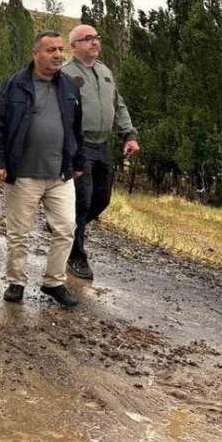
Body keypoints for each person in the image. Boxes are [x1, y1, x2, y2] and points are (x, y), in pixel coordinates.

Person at [0, 31, 84, 307]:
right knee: (20, 232)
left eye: (60, 50)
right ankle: (16, 282)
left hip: (60, 174)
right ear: (36, 53)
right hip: (23, 174)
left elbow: (77, 128)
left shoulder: (69, 87)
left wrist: (78, 162)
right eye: (51, 50)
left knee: (66, 228)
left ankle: (54, 282)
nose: (58, 55)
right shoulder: (15, 85)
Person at [61, 25, 139, 281]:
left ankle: (68, 227)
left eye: (96, 38)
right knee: (82, 200)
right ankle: (75, 256)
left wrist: (129, 134)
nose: (94, 42)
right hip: (78, 145)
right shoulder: (65, 75)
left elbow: (119, 104)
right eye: (87, 39)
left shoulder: (105, 72)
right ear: (74, 46)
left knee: (102, 198)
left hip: (103, 144)